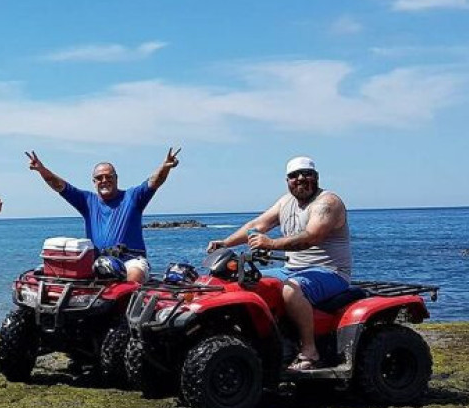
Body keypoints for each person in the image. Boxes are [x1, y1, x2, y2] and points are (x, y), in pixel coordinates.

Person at [206, 156, 352, 370]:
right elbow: (257, 225)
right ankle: (262, 343)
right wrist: (225, 243)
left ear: (316, 177)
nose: (301, 179)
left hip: (331, 272)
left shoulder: (328, 203)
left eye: (306, 174)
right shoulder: (286, 202)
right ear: (287, 180)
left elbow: (311, 237)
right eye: (294, 176)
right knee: (246, 284)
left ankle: (310, 351)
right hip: (291, 269)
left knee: (290, 291)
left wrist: (271, 243)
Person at [25, 148, 181, 283]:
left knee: (134, 274)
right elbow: (59, 185)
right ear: (94, 181)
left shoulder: (133, 197)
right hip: (99, 262)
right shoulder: (87, 201)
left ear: (116, 178)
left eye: (108, 176)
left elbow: (154, 181)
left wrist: (165, 167)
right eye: (99, 178)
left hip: (131, 261)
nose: (104, 180)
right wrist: (41, 169)